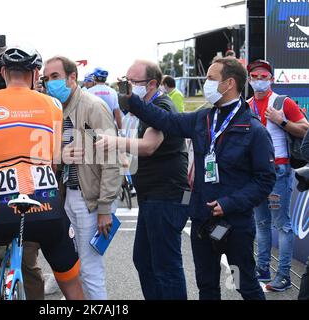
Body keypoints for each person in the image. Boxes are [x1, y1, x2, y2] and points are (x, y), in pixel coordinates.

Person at [120, 57, 276, 300]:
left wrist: (230, 203)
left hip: (234, 224)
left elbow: (265, 180)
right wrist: (131, 100)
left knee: (244, 284)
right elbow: (166, 121)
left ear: (229, 84)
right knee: (207, 285)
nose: (206, 84)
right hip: (203, 220)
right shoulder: (203, 118)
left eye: (211, 79)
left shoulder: (253, 129)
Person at [0, 45, 84, 301]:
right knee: (71, 283)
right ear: (35, 73)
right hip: (47, 208)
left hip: (4, 206)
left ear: (2, 72)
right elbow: (54, 162)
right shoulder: (53, 104)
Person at [96, 60, 190, 300]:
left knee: (165, 266)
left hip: (166, 196)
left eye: (133, 82)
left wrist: (114, 142)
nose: (127, 87)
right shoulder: (145, 107)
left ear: (152, 84)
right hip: (152, 197)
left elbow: (149, 146)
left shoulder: (161, 106)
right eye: (125, 81)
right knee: (144, 260)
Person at [43, 56, 121, 300]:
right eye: (46, 79)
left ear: (72, 77)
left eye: (54, 77)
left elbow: (111, 158)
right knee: (74, 266)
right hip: (70, 195)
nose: (49, 83)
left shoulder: (92, 107)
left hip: (90, 199)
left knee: (90, 270)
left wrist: (105, 208)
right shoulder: (58, 108)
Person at [246, 59, 309, 292]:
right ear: (249, 79)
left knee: (282, 225)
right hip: (255, 173)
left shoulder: (283, 102)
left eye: (264, 76)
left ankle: (283, 275)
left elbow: (305, 129)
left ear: (271, 79)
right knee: (261, 223)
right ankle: (262, 269)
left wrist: (281, 120)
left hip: (278, 172)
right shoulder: (247, 104)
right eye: (255, 76)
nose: (259, 80)